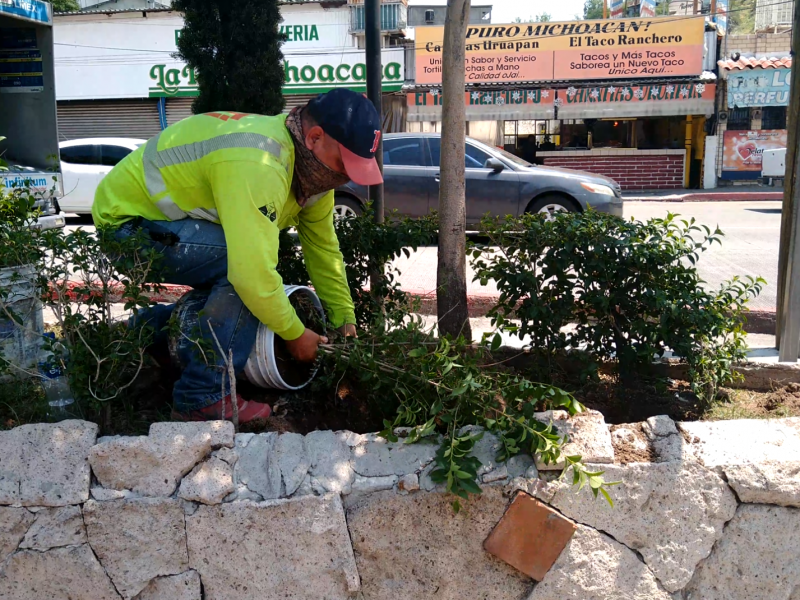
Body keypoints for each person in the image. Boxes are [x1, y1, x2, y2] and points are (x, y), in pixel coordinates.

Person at [92, 89, 383, 422]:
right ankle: (202, 395)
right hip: (129, 227)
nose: (345, 177)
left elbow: (323, 249)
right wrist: (295, 335)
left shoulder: (312, 174)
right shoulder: (259, 161)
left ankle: (145, 331)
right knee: (244, 263)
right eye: (344, 164)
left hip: (168, 227)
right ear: (315, 137)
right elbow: (251, 275)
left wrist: (344, 321)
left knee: (245, 271)